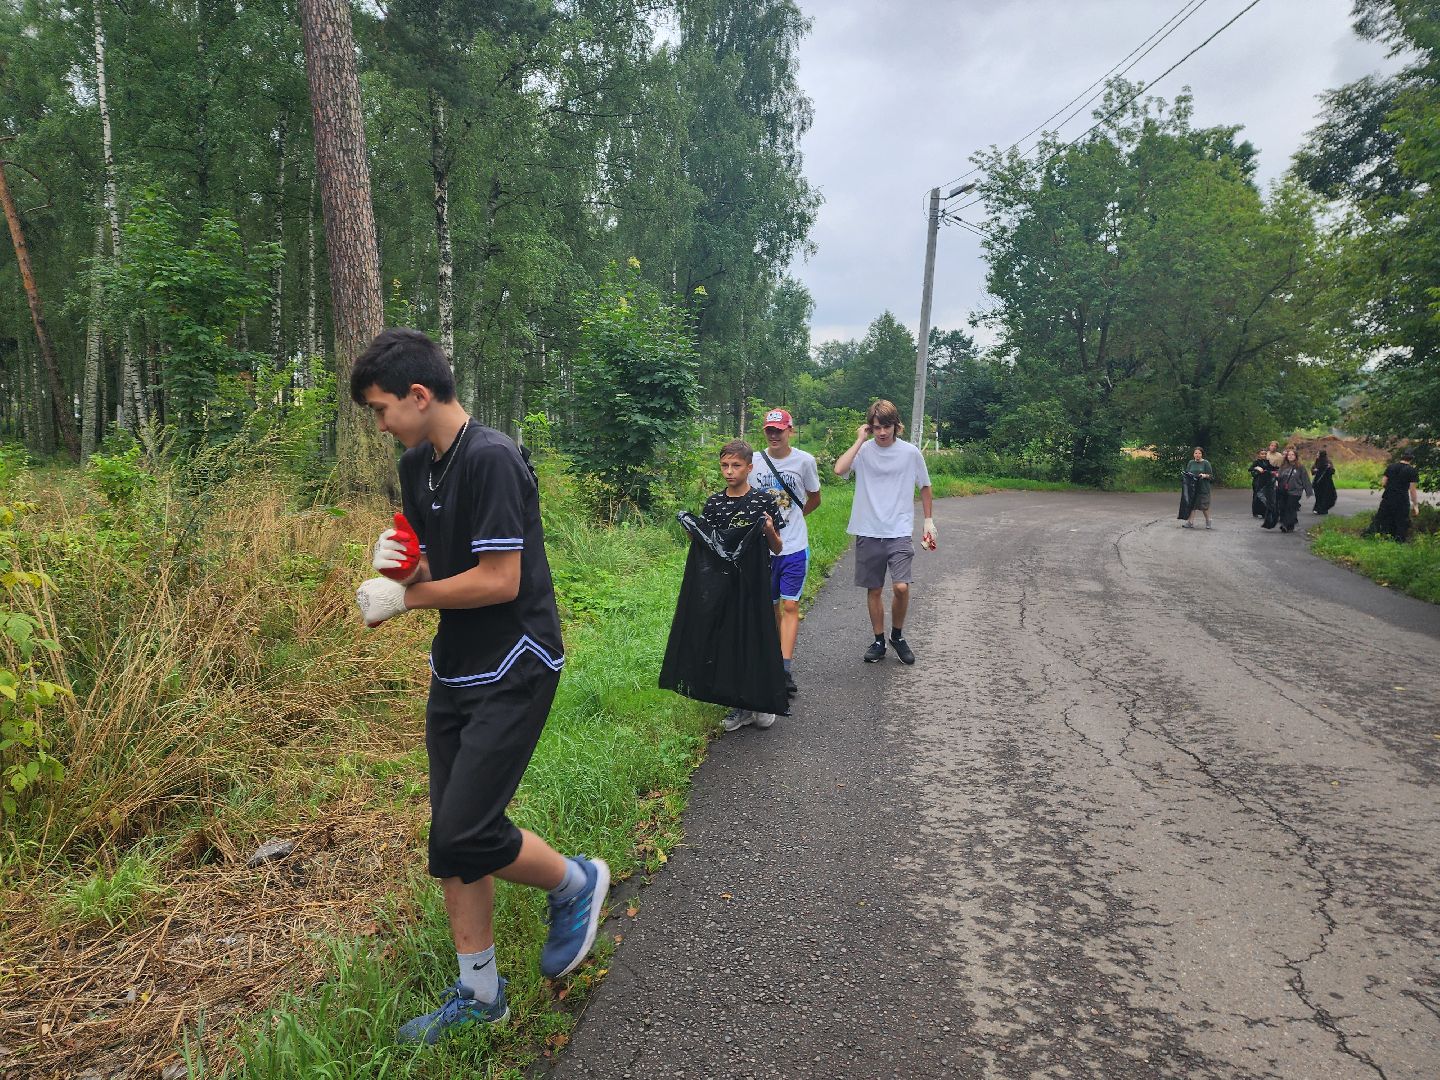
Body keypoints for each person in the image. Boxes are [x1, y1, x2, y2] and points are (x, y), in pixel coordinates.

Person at [349, 329, 609, 1046]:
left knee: (466, 828)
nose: (380, 423)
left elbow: (501, 581)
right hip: (458, 665)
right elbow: (440, 568)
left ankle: (575, 884)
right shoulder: (416, 464)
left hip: (517, 661)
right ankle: (479, 992)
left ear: (420, 395)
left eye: (381, 408)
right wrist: (403, 569)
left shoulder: (492, 458)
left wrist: (409, 600)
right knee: (451, 840)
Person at [833, 400, 935, 666]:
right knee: (874, 589)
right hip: (868, 529)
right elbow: (839, 470)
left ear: (896, 426)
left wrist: (928, 521)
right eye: (876, 427)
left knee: (901, 587)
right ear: (870, 427)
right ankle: (878, 640)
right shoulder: (864, 451)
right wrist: (859, 440)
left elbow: (925, 486)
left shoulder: (910, 453)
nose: (881, 432)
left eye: (886, 426)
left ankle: (897, 636)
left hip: (898, 529)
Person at [701, 438, 783, 730]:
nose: (729, 471)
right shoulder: (714, 503)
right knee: (730, 642)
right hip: (726, 585)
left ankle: (761, 699)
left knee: (756, 638)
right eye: (724, 465)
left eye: (736, 465)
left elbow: (777, 548)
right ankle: (738, 705)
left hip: (756, 583)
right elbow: (708, 547)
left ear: (749, 467)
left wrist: (771, 529)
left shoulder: (763, 500)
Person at [749, 408, 822, 698]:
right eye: (769, 430)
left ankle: (784, 668)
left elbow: (815, 497)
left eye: (779, 429)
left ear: (790, 430)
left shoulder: (804, 461)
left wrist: (794, 520)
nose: (774, 434)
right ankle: (773, 659)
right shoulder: (754, 461)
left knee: (790, 606)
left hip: (793, 547)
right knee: (771, 607)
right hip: (763, 549)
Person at [1364, 449, 1421, 541]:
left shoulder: (1391, 467)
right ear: (1412, 459)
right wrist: (1415, 505)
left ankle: (1372, 536)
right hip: (1402, 499)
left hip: (1388, 497)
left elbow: (1383, 482)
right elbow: (1412, 490)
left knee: (1381, 518)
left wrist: (1391, 488)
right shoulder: (1412, 471)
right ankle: (1398, 540)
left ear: (1401, 457)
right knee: (1401, 521)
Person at [1274, 447, 1313, 533]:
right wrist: (1276, 479)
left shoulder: (1300, 467)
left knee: (1290, 507)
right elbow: (1279, 477)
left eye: (1292, 455)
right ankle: (1290, 525)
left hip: (1295, 491)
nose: (1290, 456)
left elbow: (1305, 479)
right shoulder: (1283, 466)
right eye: (1289, 455)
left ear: (1296, 456)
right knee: (1283, 507)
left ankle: (1285, 524)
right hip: (1283, 491)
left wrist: (1308, 491)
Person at [1181, 447, 1214, 529]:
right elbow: (1188, 473)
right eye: (1196, 453)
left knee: (1204, 506)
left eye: (1199, 453)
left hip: (1203, 488)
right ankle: (1190, 522)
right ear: (1193, 454)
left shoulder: (1206, 463)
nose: (1197, 455)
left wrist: (1204, 475)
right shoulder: (1191, 463)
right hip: (1193, 488)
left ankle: (1208, 521)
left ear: (1202, 454)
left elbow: (1211, 476)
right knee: (1192, 506)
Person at [1250, 448, 1275, 518]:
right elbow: (1250, 469)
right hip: (1257, 482)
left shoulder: (1267, 462)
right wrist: (1256, 468)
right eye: (1262, 454)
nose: (1264, 455)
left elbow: (1272, 468)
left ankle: (1264, 512)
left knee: (1264, 496)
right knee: (1257, 496)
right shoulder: (1257, 462)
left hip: (1265, 481)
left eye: (1265, 454)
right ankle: (1255, 512)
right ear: (1259, 455)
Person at [1311, 449, 1338, 515]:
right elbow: (1313, 470)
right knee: (1318, 497)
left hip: (1326, 483)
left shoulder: (1328, 462)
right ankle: (1318, 509)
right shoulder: (1317, 461)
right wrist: (1315, 470)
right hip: (1318, 482)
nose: (1317, 455)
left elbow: (1332, 471)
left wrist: (1329, 468)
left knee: (1326, 496)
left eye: (1318, 454)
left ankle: (1322, 509)